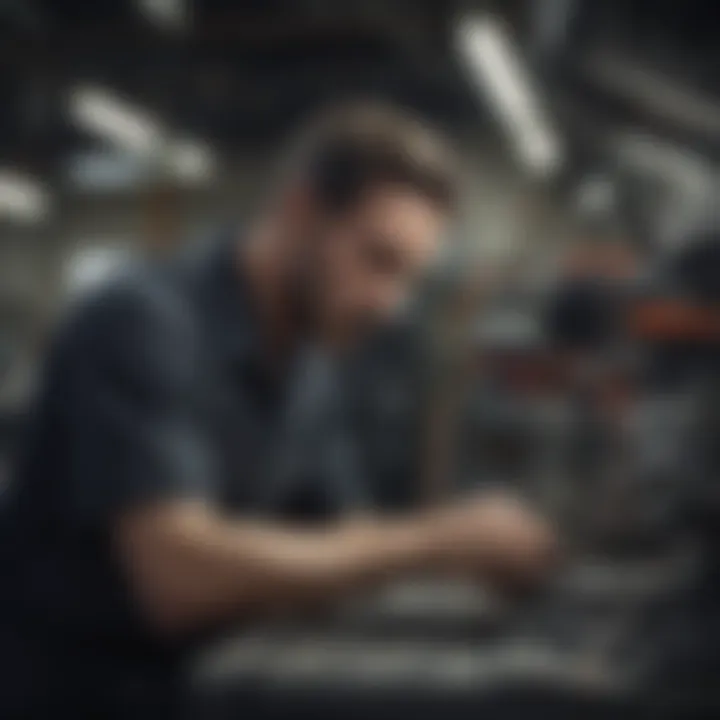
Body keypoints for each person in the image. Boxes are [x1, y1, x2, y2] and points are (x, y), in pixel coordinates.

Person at [0, 102, 557, 717]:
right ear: (300, 210)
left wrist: (469, 555)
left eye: (407, 281)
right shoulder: (142, 321)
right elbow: (178, 578)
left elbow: (342, 541)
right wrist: (438, 540)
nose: (389, 305)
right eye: (378, 261)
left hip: (197, 684)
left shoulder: (312, 368)